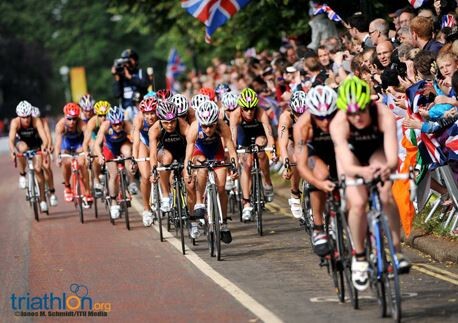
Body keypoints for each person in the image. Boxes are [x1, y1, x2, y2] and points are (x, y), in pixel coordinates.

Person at [329, 76, 411, 291]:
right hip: (353, 158)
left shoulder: (383, 113)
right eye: (351, 113)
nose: (356, 117)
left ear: (369, 104)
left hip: (377, 151)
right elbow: (347, 165)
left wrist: (387, 169)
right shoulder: (338, 123)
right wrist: (360, 172)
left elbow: (392, 157)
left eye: (361, 111)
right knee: (357, 202)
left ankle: (396, 250)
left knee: (385, 194)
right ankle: (360, 255)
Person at [293, 86, 339, 256]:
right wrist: (318, 183)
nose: (325, 121)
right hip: (315, 151)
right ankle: (319, 228)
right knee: (320, 177)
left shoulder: (342, 116)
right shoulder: (302, 126)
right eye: (320, 117)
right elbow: (302, 165)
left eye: (329, 115)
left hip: (337, 149)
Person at [184, 101, 238, 242]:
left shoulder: (222, 126)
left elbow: (231, 150)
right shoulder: (195, 127)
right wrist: (188, 170)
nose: (208, 130)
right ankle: (199, 202)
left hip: (216, 153)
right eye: (205, 126)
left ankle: (224, 223)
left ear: (216, 122)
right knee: (201, 165)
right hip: (199, 152)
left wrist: (235, 167)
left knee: (221, 188)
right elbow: (188, 154)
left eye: (211, 126)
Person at [229, 88, 276, 221]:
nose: (249, 112)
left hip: (258, 132)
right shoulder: (235, 115)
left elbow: (269, 133)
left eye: (252, 108)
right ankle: (246, 203)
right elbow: (233, 138)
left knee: (261, 151)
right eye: (246, 109)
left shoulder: (261, 113)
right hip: (243, 135)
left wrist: (272, 149)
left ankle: (267, 181)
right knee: (247, 163)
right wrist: (234, 155)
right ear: (241, 108)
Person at [149, 100, 193, 216]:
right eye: (166, 123)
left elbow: (191, 144)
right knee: (166, 159)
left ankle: (192, 213)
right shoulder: (154, 129)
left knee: (190, 181)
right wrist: (153, 171)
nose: (170, 125)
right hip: (164, 151)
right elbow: (153, 154)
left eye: (172, 121)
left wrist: (188, 164)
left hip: (181, 151)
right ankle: (165, 196)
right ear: (160, 121)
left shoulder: (182, 124)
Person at [93, 106, 136, 219]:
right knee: (114, 174)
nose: (118, 126)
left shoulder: (126, 125)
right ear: (111, 122)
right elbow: (97, 144)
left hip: (123, 145)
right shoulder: (105, 125)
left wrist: (134, 155)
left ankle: (131, 182)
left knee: (128, 154)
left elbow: (136, 140)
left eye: (119, 124)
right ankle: (113, 203)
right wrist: (100, 156)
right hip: (110, 148)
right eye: (115, 124)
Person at [9, 101, 49, 212]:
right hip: (21, 142)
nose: (26, 120)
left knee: (37, 169)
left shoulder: (36, 121)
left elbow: (44, 137)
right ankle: (22, 174)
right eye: (23, 117)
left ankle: (42, 200)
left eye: (28, 116)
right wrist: (12, 151)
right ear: (19, 116)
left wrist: (44, 147)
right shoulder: (15, 122)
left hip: (35, 143)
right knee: (22, 150)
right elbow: (11, 140)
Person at [54, 103, 92, 207]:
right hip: (66, 146)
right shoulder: (60, 125)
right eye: (69, 119)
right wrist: (57, 157)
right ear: (65, 116)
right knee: (65, 163)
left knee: (82, 163)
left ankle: (87, 192)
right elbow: (57, 144)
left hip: (79, 146)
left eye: (74, 119)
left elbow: (89, 139)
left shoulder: (81, 124)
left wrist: (89, 152)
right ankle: (67, 186)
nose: (72, 122)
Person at [278, 91, 308, 219]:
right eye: (297, 114)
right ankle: (295, 192)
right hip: (291, 141)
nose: (300, 117)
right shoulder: (286, 117)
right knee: (294, 158)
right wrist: (286, 165)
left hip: (306, 139)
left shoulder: (312, 114)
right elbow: (283, 144)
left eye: (303, 113)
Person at [132, 97, 158, 227]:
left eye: (152, 113)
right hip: (144, 144)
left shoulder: (161, 118)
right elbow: (136, 142)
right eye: (147, 113)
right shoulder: (139, 119)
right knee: (146, 176)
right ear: (143, 113)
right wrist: (134, 158)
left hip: (158, 144)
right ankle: (147, 209)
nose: (150, 116)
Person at [82, 100, 111, 195]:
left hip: (107, 138)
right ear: (96, 115)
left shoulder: (112, 120)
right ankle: (97, 179)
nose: (103, 118)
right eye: (100, 115)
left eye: (105, 115)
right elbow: (86, 141)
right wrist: (86, 152)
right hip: (95, 138)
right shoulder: (92, 122)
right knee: (94, 147)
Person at [31, 106, 58, 207]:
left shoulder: (43, 122)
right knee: (36, 168)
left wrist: (49, 146)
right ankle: (41, 197)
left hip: (43, 145)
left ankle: (52, 192)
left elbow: (48, 136)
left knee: (46, 167)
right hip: (33, 147)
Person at [112, 49, 149, 114]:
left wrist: (130, 77)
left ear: (135, 60)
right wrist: (117, 78)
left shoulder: (141, 72)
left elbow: (145, 85)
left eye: (130, 60)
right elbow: (117, 95)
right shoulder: (120, 76)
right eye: (125, 60)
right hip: (125, 110)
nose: (127, 63)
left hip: (141, 109)